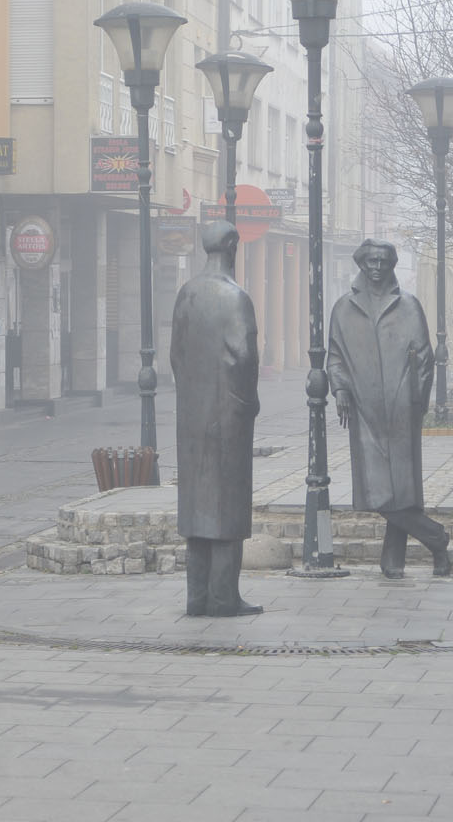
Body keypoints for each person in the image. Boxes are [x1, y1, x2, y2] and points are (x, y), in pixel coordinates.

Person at [327, 239, 452, 579]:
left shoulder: (409, 306)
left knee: (400, 490)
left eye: (383, 261)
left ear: (392, 265)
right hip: (364, 411)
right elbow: (335, 356)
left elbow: (425, 359)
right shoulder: (343, 308)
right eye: (371, 261)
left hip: (401, 410)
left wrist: (416, 402)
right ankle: (427, 544)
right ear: (361, 264)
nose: (377, 267)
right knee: (379, 491)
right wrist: (339, 389)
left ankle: (411, 553)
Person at [169, 221, 262, 616]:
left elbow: (175, 356)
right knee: (226, 506)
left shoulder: (185, 294)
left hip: (191, 415)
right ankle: (224, 598)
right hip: (227, 414)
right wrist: (247, 401)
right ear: (232, 247)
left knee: (196, 508)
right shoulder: (235, 297)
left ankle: (196, 597)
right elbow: (243, 356)